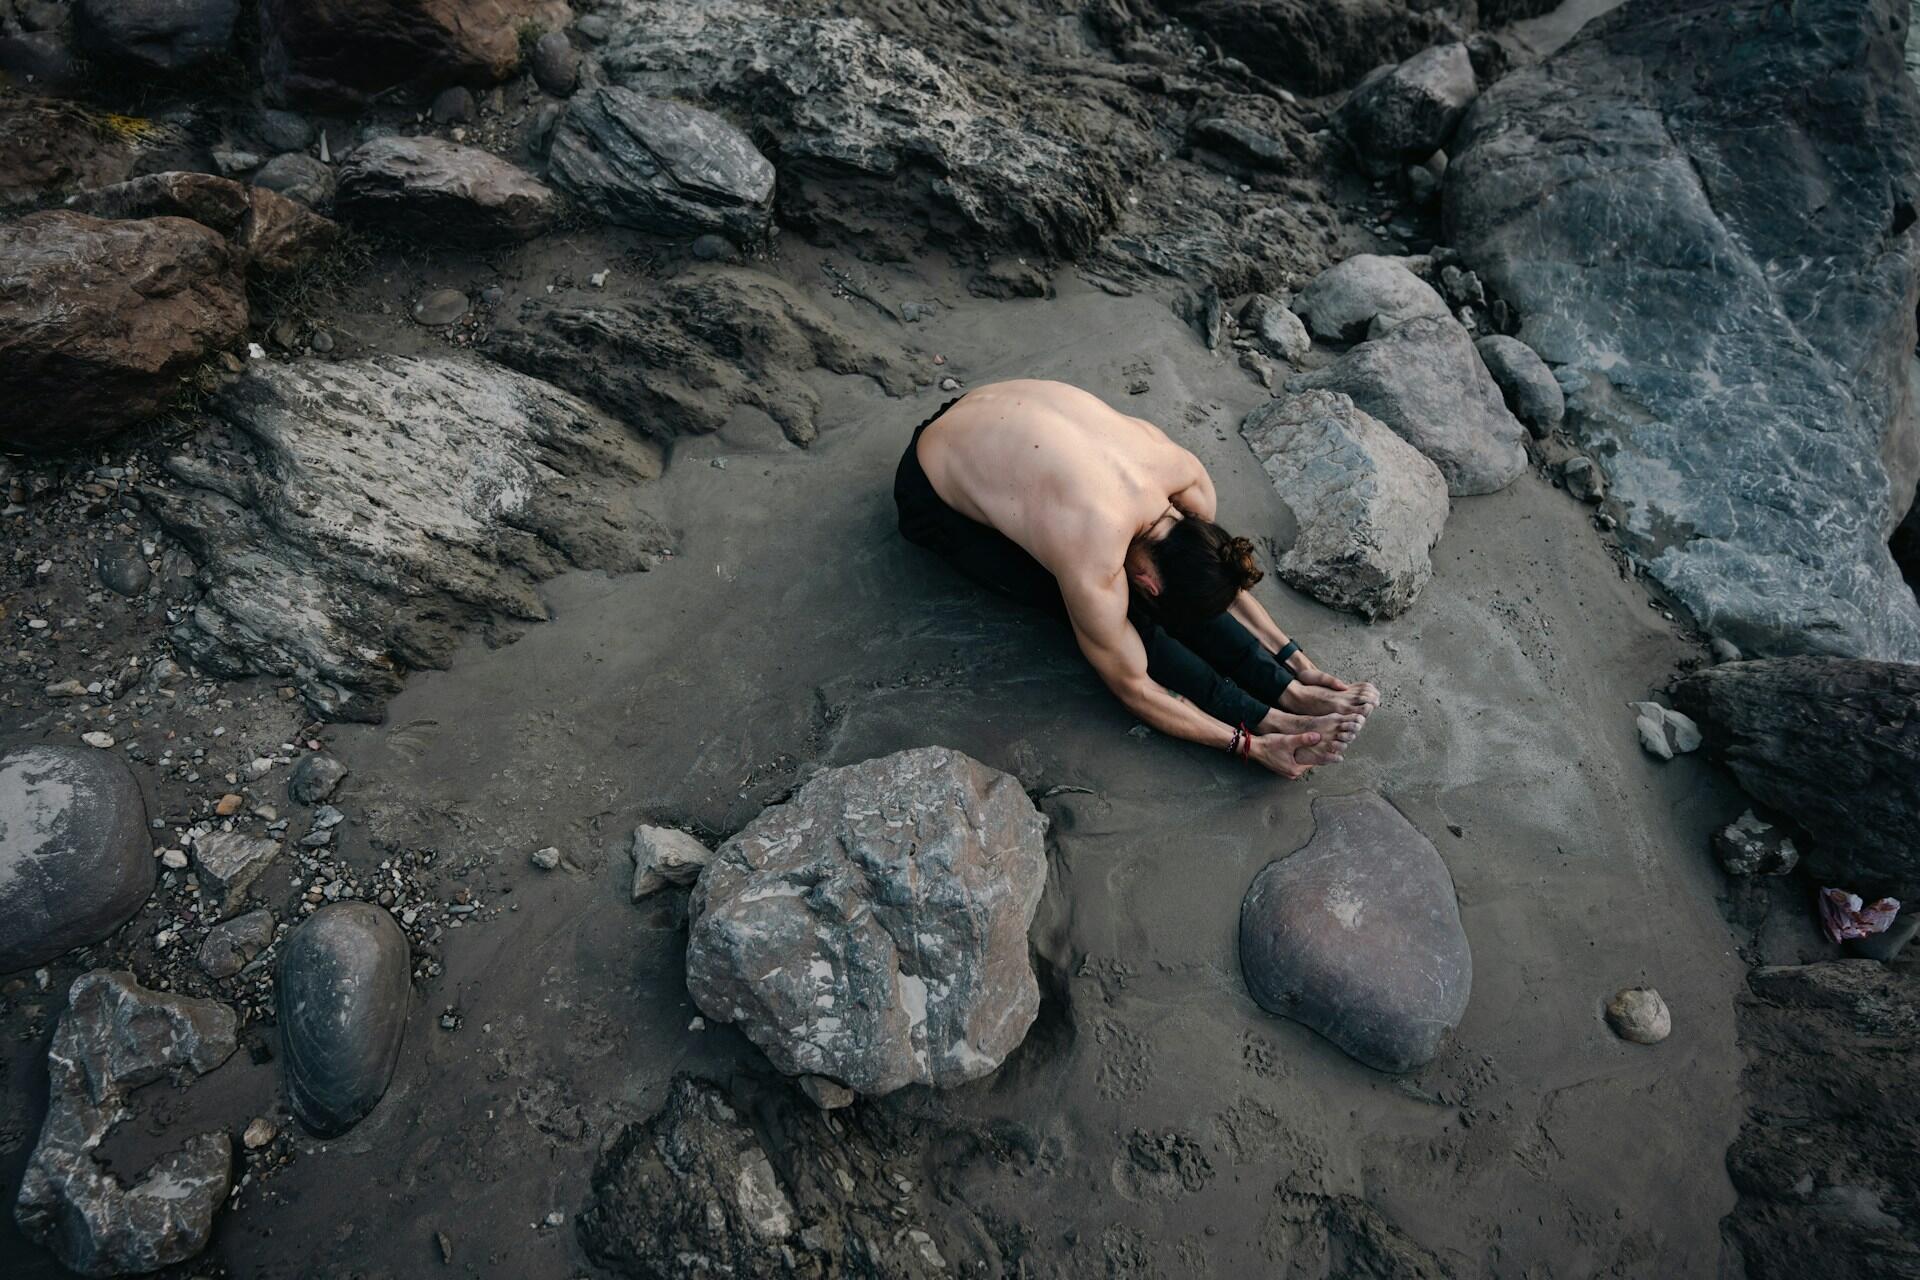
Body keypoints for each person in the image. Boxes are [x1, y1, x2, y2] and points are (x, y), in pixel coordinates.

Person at [895, 379, 1380, 780]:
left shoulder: (1186, 483)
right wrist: (1251, 744)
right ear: (1149, 584)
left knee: (1163, 588)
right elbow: (1133, 685)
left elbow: (1216, 577)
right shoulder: (1098, 548)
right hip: (931, 480)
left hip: (997, 408)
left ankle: (1288, 695)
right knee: (1102, 607)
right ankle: (1271, 714)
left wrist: (1295, 664)